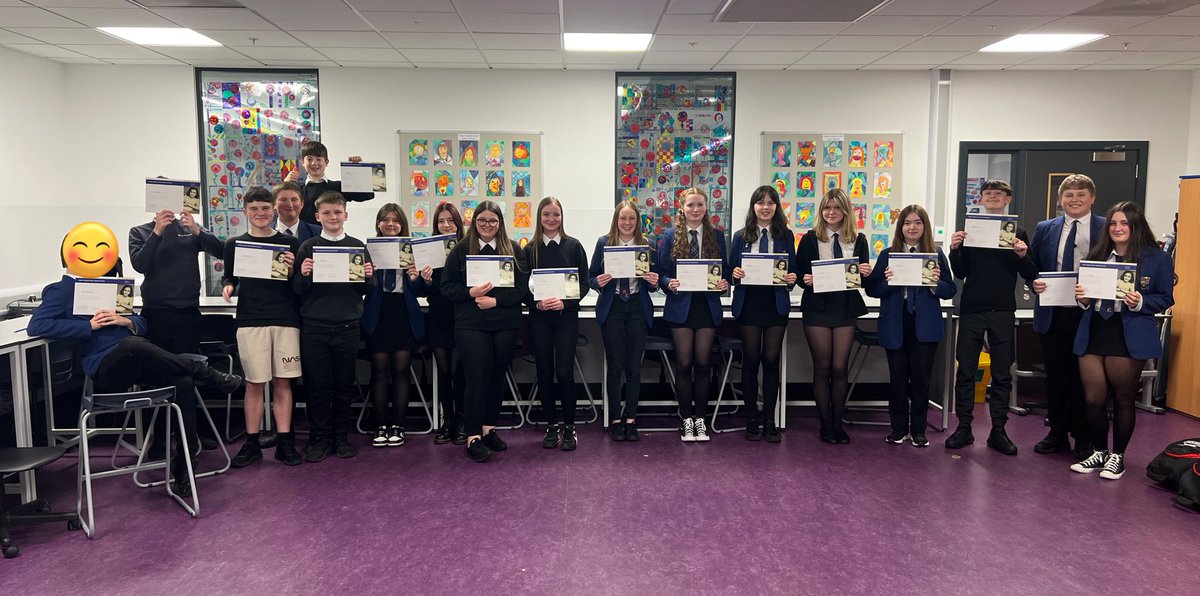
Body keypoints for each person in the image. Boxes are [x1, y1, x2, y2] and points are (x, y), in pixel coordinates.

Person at [30, 236, 243, 496]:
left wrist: (125, 321)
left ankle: (184, 465)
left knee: (182, 382)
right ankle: (204, 372)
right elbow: (37, 325)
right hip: (106, 367)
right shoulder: (60, 290)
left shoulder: (112, 286)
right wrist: (88, 326)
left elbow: (142, 325)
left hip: (138, 360)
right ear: (68, 256)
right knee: (135, 346)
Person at [1070, 202, 1174, 480]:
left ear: (1135, 226)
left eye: (1124, 223)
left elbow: (1165, 298)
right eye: (1114, 223)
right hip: (1095, 330)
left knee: (1124, 398)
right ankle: (1099, 451)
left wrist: (1141, 301)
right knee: (1093, 399)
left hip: (1129, 332)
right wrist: (1082, 299)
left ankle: (1118, 456)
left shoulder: (1157, 258)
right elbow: (1084, 295)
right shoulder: (1098, 254)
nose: (1118, 228)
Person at [946, 179, 1036, 454]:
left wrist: (1022, 255)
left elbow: (1030, 275)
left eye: (999, 194)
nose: (993, 197)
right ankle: (963, 427)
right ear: (981, 199)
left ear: (1008, 199)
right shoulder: (971, 230)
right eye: (988, 194)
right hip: (972, 308)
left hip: (1003, 310)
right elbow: (960, 273)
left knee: (1001, 372)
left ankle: (998, 429)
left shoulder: (1017, 232)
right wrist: (954, 249)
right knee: (966, 370)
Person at [220, 186, 303, 467]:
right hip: (250, 319)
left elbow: (300, 286)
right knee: (254, 383)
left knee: (283, 382)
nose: (260, 213)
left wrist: (293, 270)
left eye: (265, 208)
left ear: (274, 210)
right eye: (254, 208)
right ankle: (252, 443)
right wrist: (228, 286)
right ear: (245, 211)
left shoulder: (290, 244)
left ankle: (285, 443)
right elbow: (230, 277)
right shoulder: (235, 244)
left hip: (285, 319)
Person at [440, 200, 529, 462]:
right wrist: (471, 292)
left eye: (492, 221)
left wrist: (496, 301)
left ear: (500, 223)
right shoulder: (460, 251)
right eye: (482, 221)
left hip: (504, 322)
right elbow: (446, 288)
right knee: (476, 377)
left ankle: (489, 429)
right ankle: (472, 436)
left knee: (496, 377)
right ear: (474, 222)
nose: (487, 225)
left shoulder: (512, 250)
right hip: (471, 324)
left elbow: (521, 289)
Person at [1028, 174, 1107, 457]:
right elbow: (1033, 267)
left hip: (1093, 315)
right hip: (1054, 313)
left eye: (1080, 194)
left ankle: (1084, 437)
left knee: (1086, 379)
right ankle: (1057, 433)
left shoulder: (1107, 227)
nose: (1074, 199)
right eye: (1069, 195)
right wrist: (1033, 282)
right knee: (1056, 377)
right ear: (1060, 199)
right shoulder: (1045, 228)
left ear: (1092, 198)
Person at [864, 205, 957, 447]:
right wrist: (888, 280)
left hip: (925, 324)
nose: (912, 227)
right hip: (896, 323)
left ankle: (918, 430)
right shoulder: (888, 254)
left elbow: (951, 289)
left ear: (924, 226)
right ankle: (897, 429)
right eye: (907, 223)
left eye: (917, 222)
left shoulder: (935, 254)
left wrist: (935, 282)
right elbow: (872, 289)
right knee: (897, 379)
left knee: (920, 379)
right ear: (900, 227)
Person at [293, 191, 374, 462]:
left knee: (344, 385)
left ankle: (341, 437)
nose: (332, 217)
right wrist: (303, 275)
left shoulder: (357, 246)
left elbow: (365, 289)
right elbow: (297, 290)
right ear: (318, 216)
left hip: (348, 325)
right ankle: (319, 438)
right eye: (327, 213)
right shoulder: (307, 247)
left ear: (346, 216)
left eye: (337, 212)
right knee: (317, 385)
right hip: (315, 327)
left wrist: (368, 277)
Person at [796, 189, 872, 444]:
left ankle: (838, 422)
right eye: (827, 208)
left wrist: (866, 273)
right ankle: (825, 425)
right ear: (821, 211)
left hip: (845, 308)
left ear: (845, 211)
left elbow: (862, 281)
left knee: (840, 368)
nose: (831, 213)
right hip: (817, 308)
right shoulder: (809, 239)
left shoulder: (858, 239)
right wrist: (805, 279)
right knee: (823, 366)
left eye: (837, 208)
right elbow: (799, 275)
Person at [657, 187, 729, 443]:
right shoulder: (669, 236)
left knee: (703, 364)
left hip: (707, 308)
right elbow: (662, 272)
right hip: (681, 309)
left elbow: (726, 272)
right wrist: (668, 283)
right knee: (684, 364)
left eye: (699, 205)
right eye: (690, 205)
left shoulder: (717, 236)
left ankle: (701, 419)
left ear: (706, 207)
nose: (695, 210)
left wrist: (724, 283)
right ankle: (686, 419)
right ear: (682, 208)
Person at [729, 185, 796, 442]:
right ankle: (751, 420)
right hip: (749, 305)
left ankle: (769, 419)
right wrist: (734, 275)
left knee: (771, 361)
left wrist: (792, 278)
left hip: (775, 304)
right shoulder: (740, 236)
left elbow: (795, 271)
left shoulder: (785, 235)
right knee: (751, 361)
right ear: (753, 206)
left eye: (770, 202)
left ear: (776, 207)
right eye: (760, 202)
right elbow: (730, 269)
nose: (765, 207)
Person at [590, 201, 659, 442]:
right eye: (623, 219)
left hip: (638, 307)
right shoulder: (604, 243)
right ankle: (615, 419)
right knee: (615, 366)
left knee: (633, 367)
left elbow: (656, 282)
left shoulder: (648, 245)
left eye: (631, 219)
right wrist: (597, 282)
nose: (627, 223)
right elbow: (590, 277)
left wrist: (653, 281)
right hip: (613, 308)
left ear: (637, 221)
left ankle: (631, 420)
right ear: (616, 220)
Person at [525, 197, 590, 451]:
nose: (551, 219)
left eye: (556, 214)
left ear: (562, 217)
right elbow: (523, 288)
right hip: (540, 318)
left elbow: (583, 284)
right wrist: (536, 304)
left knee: (564, 372)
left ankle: (570, 428)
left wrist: (566, 303)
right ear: (539, 218)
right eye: (546, 214)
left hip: (566, 318)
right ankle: (551, 426)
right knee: (544, 371)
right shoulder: (530, 249)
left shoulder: (574, 246)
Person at [362, 204, 425, 449]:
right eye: (385, 219)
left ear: (402, 224)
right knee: (379, 371)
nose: (390, 224)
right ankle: (380, 425)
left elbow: (421, 291)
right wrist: (368, 275)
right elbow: (362, 288)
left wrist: (416, 278)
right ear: (378, 223)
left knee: (401, 370)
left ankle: (397, 425)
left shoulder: (413, 251)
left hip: (403, 313)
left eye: (395, 220)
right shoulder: (368, 250)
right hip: (378, 312)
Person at [421, 203, 468, 445]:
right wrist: (425, 280)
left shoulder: (467, 248)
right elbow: (420, 289)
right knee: (444, 370)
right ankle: (446, 419)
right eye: (441, 221)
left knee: (459, 371)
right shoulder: (428, 249)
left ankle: (461, 420)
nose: (446, 225)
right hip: (438, 316)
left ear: (458, 223)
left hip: (462, 316)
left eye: (450, 220)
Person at [284, 141, 375, 225]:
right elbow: (278, 207)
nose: (314, 163)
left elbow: (368, 195)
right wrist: (285, 185)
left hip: (331, 236)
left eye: (319, 159)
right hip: (303, 237)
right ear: (303, 162)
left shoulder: (337, 187)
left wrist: (359, 170)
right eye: (309, 159)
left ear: (326, 162)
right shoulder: (296, 189)